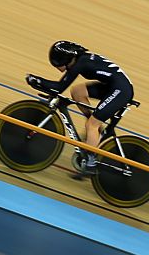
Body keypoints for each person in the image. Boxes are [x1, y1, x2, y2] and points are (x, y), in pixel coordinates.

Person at [25, 41, 134, 179]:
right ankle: (94, 127)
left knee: (91, 125)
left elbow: (59, 87)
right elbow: (61, 87)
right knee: (77, 91)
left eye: (58, 63)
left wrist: (37, 81)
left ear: (66, 59)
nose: (58, 68)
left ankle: (90, 163)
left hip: (121, 90)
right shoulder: (80, 60)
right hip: (112, 86)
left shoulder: (81, 63)